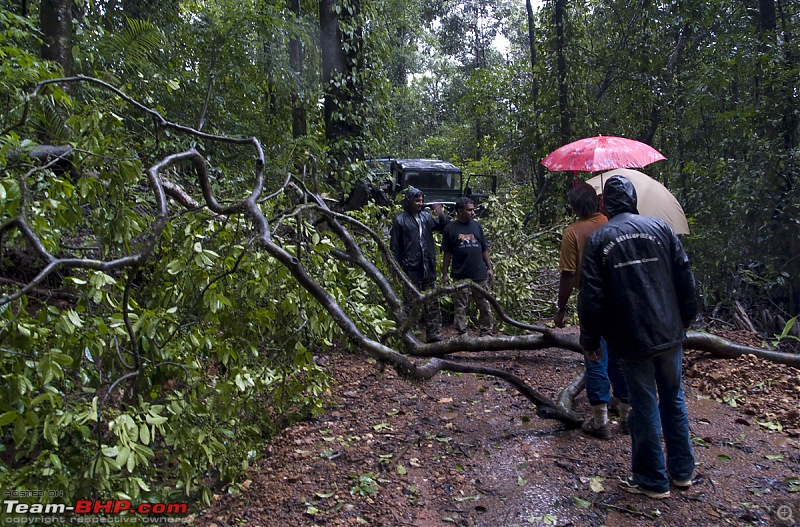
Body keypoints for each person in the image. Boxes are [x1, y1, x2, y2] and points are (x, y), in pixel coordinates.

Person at [578, 175, 698, 500]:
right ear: (634, 201)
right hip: (669, 332)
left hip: (632, 338)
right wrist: (686, 319)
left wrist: (589, 340)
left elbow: (592, 297)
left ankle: (652, 479)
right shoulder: (662, 230)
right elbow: (685, 276)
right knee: (673, 398)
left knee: (645, 404)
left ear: (606, 204)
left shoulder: (600, 239)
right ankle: (682, 473)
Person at [555, 183, 629, 440]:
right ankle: (626, 410)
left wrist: (560, 308)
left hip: (591, 299)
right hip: (621, 298)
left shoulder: (572, 232)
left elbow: (568, 274)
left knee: (595, 353)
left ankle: (601, 420)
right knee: (619, 353)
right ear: (598, 203)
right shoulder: (614, 223)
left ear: (575, 207)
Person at [390, 186, 449, 343]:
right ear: (409, 201)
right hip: (410, 268)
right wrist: (395, 271)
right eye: (417, 200)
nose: (420, 203)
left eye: (421, 200)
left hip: (427, 266)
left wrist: (441, 214)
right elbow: (395, 247)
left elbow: (442, 227)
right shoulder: (400, 220)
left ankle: (433, 334)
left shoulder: (426, 217)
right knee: (410, 303)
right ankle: (410, 335)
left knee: (432, 302)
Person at [441, 197, 494, 337]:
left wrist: (489, 267)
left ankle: (486, 331)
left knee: (484, 304)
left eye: (473, 209)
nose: (473, 212)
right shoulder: (450, 228)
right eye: (469, 210)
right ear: (459, 211)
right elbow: (447, 253)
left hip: (479, 273)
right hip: (460, 273)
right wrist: (445, 274)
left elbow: (484, 249)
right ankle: (461, 333)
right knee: (460, 305)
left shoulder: (476, 226)